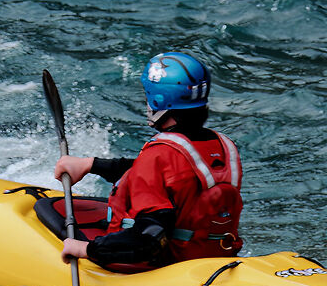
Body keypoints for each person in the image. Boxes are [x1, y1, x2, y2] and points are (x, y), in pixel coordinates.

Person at [51, 51, 245, 271]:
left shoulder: (159, 154)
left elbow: (147, 240)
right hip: (215, 258)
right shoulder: (222, 146)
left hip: (163, 266)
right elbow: (171, 178)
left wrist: (85, 249)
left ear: (157, 100)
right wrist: (91, 164)